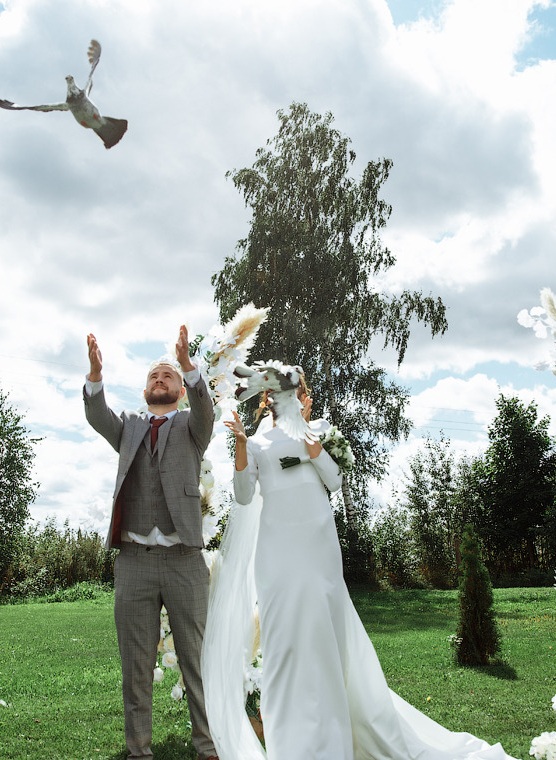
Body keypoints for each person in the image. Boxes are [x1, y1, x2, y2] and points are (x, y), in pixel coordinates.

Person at [204, 377, 517, 760]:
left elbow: (335, 481)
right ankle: (291, 745)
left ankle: (333, 740)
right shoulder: (255, 443)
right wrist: (239, 443)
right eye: (276, 391)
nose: (283, 396)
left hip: (317, 545)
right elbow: (243, 494)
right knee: (283, 640)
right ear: (267, 398)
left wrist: (306, 436)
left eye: (292, 389)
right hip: (276, 550)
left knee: (323, 633)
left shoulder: (321, 429)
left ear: (304, 396)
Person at [84, 326, 218, 760]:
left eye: (168, 377)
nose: (160, 380)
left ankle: (208, 745)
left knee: (196, 660)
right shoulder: (129, 428)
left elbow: (206, 411)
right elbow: (97, 415)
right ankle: (138, 751)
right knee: (136, 666)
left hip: (184, 561)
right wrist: (96, 375)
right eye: (154, 376)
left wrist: (187, 365)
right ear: (145, 390)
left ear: (179, 389)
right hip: (135, 562)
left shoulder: (193, 428)